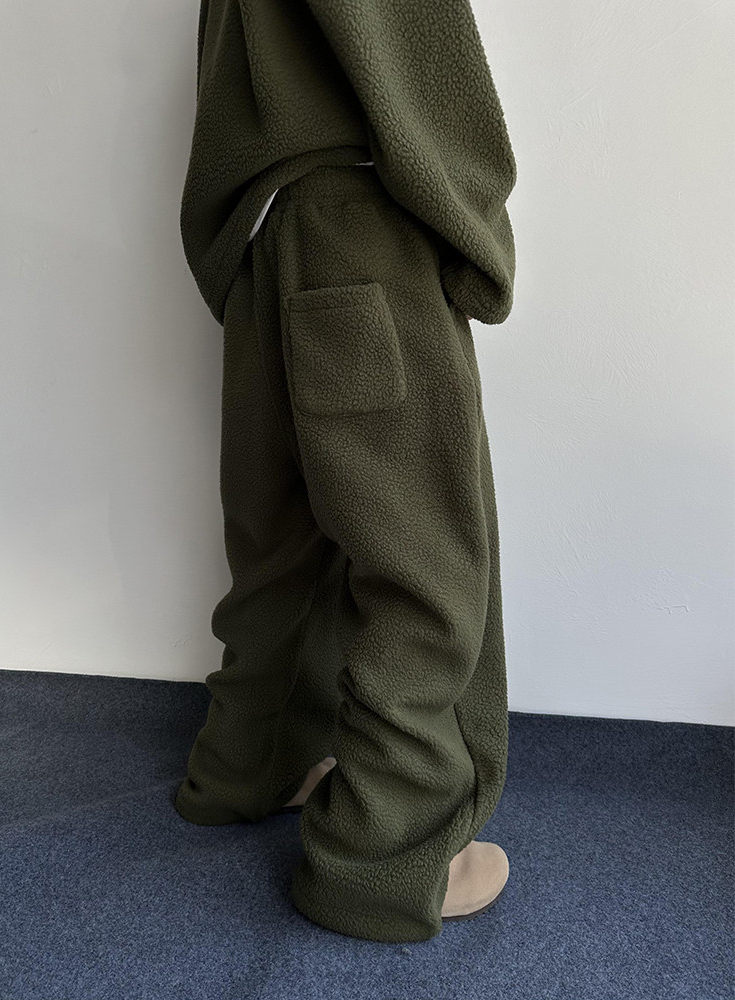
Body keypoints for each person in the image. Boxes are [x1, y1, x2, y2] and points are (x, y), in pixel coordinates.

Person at [173, 0, 518, 944]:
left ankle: (249, 762)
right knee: (423, 556)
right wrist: (476, 224)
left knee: (279, 534)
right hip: (366, 218)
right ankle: (386, 854)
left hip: (265, 228)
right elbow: (407, 39)